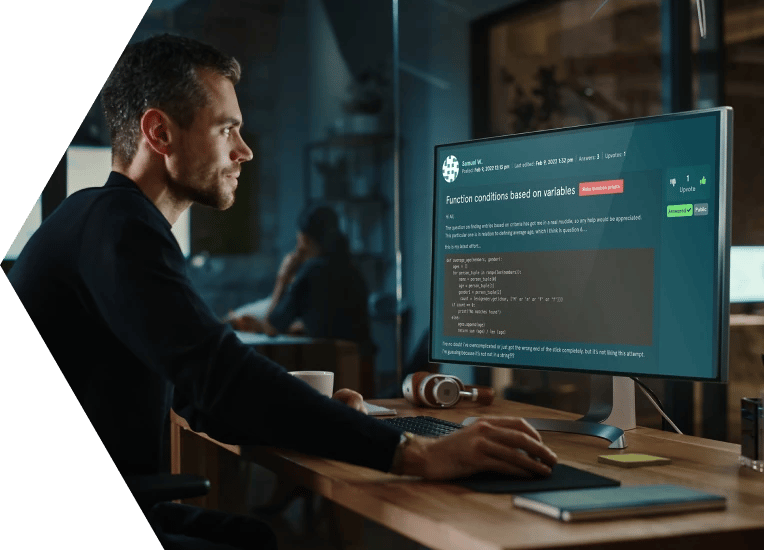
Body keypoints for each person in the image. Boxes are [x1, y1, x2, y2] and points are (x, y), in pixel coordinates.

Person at [8, 34, 557, 550]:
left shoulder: (99, 221)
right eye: (227, 130)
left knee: (257, 538)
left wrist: (320, 415)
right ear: (160, 134)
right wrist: (415, 454)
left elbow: (198, 395)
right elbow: (217, 376)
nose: (244, 151)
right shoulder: (119, 228)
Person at [226, 205, 374, 352]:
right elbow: (327, 324)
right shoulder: (350, 267)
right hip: (361, 357)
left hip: (334, 360)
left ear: (304, 239)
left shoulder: (312, 270)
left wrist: (282, 278)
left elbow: (272, 327)